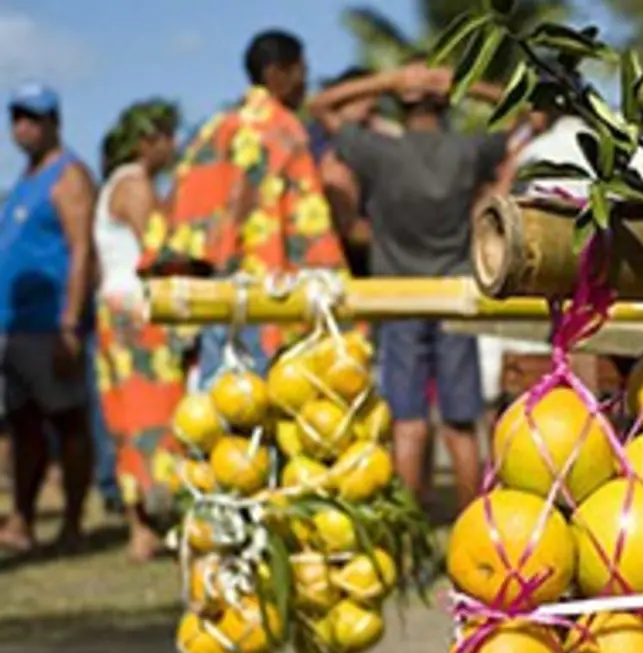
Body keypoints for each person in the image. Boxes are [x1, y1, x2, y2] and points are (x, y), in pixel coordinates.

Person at [308, 60, 533, 511]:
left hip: (398, 295)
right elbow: (526, 113)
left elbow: (320, 108)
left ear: (401, 104)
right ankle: (474, 521)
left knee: (408, 423)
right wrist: (464, 83)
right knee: (461, 423)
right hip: (454, 296)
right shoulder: (467, 151)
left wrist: (388, 79)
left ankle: (410, 530)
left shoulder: (377, 152)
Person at [141, 30, 348, 385]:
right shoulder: (283, 129)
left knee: (220, 408)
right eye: (301, 72)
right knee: (265, 408)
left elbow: (183, 212)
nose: (304, 84)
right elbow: (304, 225)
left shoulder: (216, 127)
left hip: (219, 288)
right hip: (270, 288)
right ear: (276, 73)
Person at [0, 83, 97, 552]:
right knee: (23, 427)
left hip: (50, 325)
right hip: (14, 326)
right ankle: (22, 520)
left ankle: (74, 523)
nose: (22, 126)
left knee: (68, 422)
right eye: (16, 116)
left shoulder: (69, 175)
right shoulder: (25, 180)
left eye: (33, 117)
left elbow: (81, 250)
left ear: (54, 121)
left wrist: (69, 323)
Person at [93, 100, 190, 560]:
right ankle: (150, 525)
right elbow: (156, 251)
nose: (173, 147)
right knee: (152, 419)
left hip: (115, 308)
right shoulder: (134, 185)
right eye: (167, 137)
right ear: (146, 142)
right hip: (137, 310)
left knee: (130, 420)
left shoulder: (117, 183)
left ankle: (143, 529)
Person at [310, 66, 400, 278]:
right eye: (369, 109)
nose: (374, 119)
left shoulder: (373, 137)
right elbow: (349, 229)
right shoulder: (329, 154)